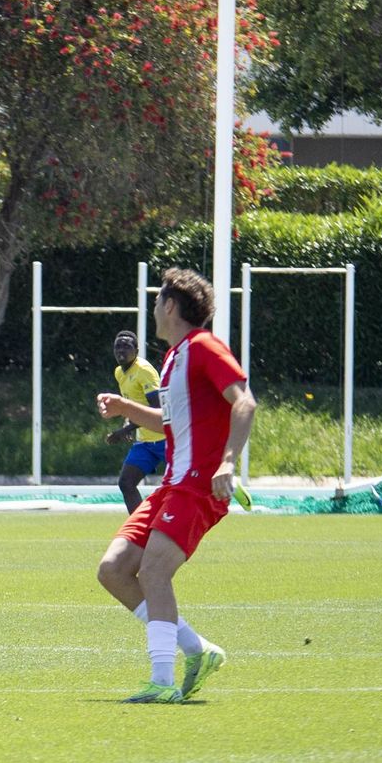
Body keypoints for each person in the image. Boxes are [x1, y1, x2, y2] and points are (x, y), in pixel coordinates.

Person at [95, 268, 256, 704]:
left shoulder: (204, 346)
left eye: (155, 302)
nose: (152, 311)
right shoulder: (172, 359)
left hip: (198, 485)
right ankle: (195, 649)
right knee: (113, 570)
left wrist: (227, 461)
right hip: (171, 485)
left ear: (170, 306)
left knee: (153, 571)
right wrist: (125, 407)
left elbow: (244, 401)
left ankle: (162, 682)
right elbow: (169, 425)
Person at [105, 329, 167, 513]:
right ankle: (141, 530)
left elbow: (157, 410)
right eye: (118, 346)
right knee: (126, 483)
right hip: (146, 442)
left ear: (137, 350)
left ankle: (229, 485)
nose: (121, 350)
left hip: (166, 439)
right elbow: (133, 404)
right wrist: (128, 425)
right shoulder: (119, 372)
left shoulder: (144, 371)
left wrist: (126, 430)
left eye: (126, 346)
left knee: (185, 485)